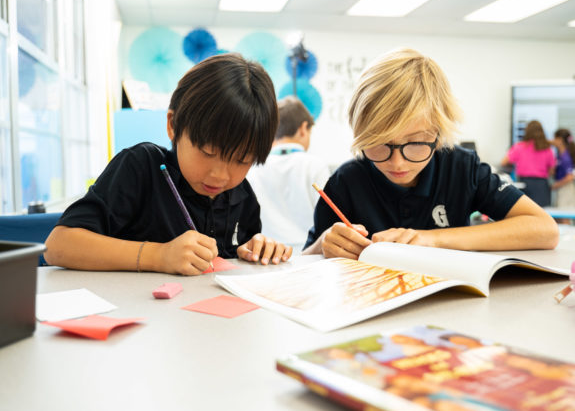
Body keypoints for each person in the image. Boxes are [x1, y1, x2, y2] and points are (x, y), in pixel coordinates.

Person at [45, 53, 293, 275]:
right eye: (207, 152)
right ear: (173, 126)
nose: (220, 175)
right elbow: (58, 246)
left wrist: (257, 250)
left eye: (242, 160)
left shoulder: (242, 196)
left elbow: (236, 266)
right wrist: (159, 256)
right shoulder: (141, 167)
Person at [303, 48, 558, 259]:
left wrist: (430, 238)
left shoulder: (462, 167)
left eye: (414, 144)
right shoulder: (346, 181)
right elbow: (304, 260)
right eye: (379, 143)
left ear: (438, 134)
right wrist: (324, 243)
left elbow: (545, 230)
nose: (397, 162)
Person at [247, 96, 330, 250]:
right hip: (311, 251)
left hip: (266, 253)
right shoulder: (314, 165)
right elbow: (327, 219)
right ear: (303, 129)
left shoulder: (253, 167)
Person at [501, 120, 555, 207]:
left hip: (524, 184)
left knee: (524, 211)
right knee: (542, 213)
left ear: (527, 131)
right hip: (542, 186)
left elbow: (503, 162)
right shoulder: (547, 149)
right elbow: (552, 171)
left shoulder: (519, 146)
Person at [551, 128, 575, 214]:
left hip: (566, 188)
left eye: (555, 138)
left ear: (560, 140)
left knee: (565, 214)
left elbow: (570, 177)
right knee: (560, 214)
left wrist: (555, 185)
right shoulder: (559, 155)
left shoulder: (566, 157)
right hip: (561, 188)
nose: (553, 141)